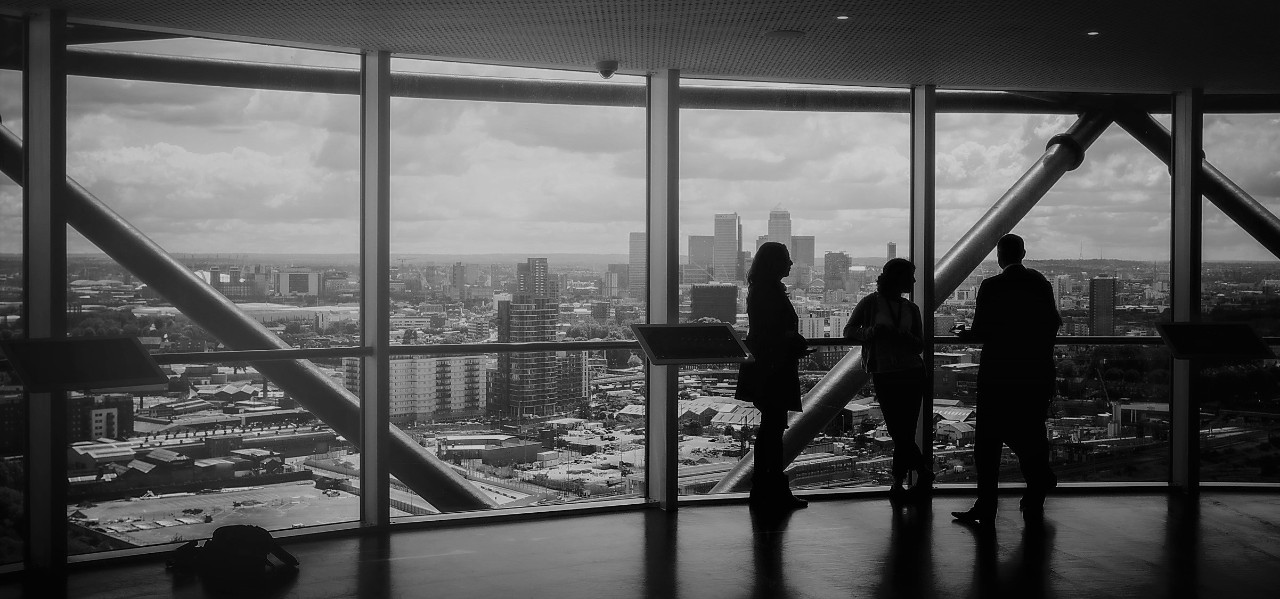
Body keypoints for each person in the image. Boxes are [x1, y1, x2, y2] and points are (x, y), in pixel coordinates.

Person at [952, 234, 1062, 525]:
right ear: (1023, 253)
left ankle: (987, 505)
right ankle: (1037, 488)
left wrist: (964, 334)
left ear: (999, 257)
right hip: (1034, 373)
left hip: (998, 374)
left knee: (988, 443)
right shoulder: (1041, 285)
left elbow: (981, 331)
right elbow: (1051, 325)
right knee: (1031, 432)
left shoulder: (992, 286)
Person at [844, 258, 932, 503]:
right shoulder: (871, 303)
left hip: (902, 373)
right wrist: (872, 333)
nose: (914, 281)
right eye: (910, 276)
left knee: (901, 431)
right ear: (898, 279)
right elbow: (850, 330)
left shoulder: (908, 308)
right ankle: (920, 473)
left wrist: (896, 336)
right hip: (897, 373)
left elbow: (919, 344)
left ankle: (899, 483)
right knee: (900, 431)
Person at [736, 241, 810, 510]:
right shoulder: (770, 292)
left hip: (766, 367)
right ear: (774, 263)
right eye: (786, 259)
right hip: (774, 369)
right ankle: (772, 488)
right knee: (772, 430)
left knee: (770, 429)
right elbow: (771, 332)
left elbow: (764, 332)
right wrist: (793, 341)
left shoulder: (761, 290)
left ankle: (764, 488)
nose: (791, 264)